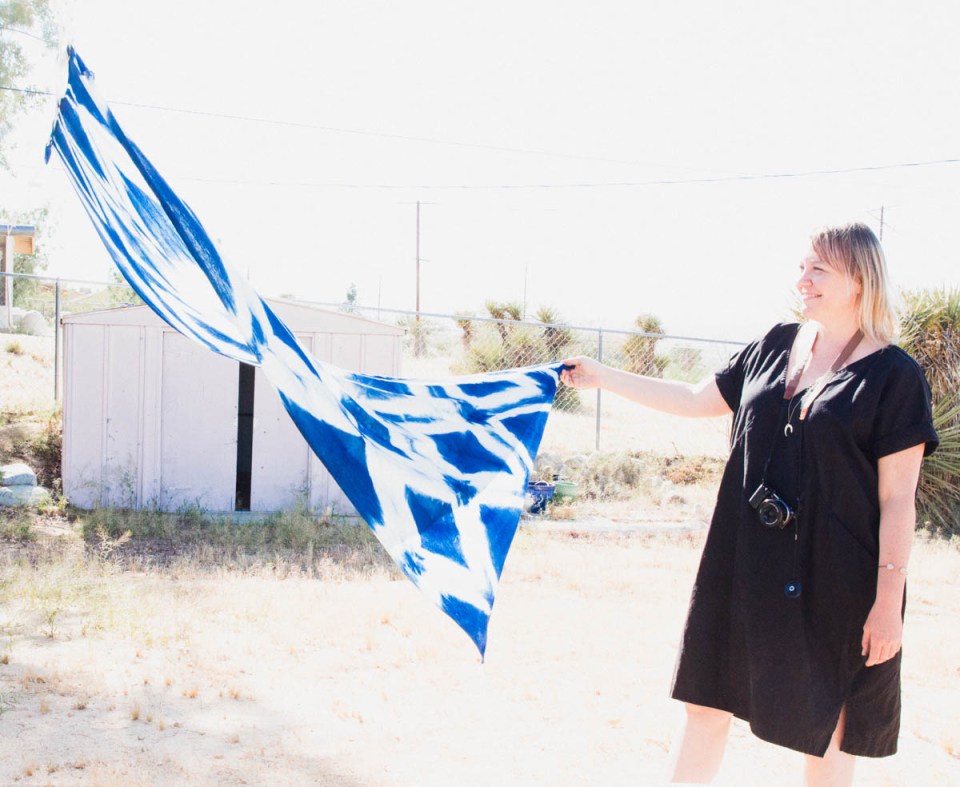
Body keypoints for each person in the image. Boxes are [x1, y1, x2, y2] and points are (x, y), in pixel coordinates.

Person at [561, 222, 939, 786]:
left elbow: (897, 501)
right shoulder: (775, 344)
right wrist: (601, 377)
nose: (803, 279)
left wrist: (888, 602)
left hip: (836, 578)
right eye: (803, 266)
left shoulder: (895, 377)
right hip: (744, 562)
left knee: (828, 725)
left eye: (819, 269)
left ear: (859, 280)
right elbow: (693, 399)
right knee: (707, 703)